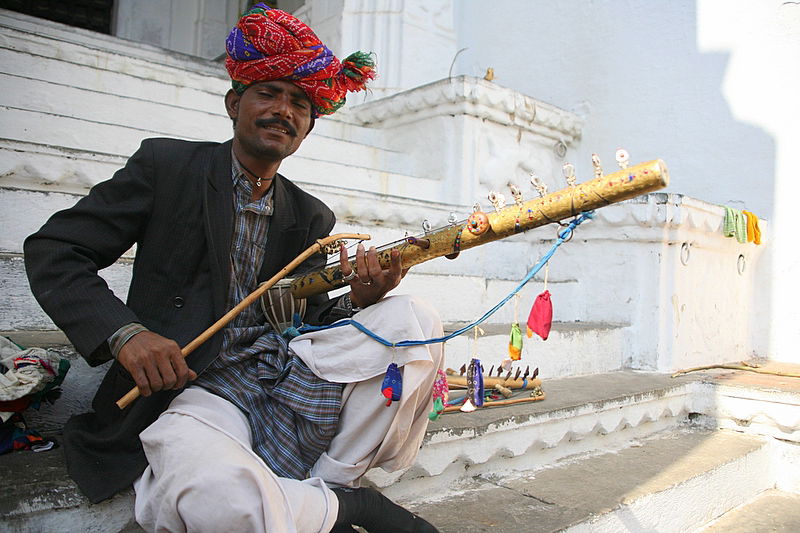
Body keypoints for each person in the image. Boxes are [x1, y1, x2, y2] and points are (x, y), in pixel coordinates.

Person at [24, 5, 443, 532]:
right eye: (268, 92)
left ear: (307, 128)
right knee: (214, 497)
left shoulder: (312, 215)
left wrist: (359, 302)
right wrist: (126, 334)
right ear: (233, 103)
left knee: (414, 319)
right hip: (199, 388)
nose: (283, 111)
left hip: (285, 375)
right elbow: (55, 250)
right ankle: (350, 508)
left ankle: (331, 483)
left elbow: (310, 317)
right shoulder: (168, 167)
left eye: (299, 103)